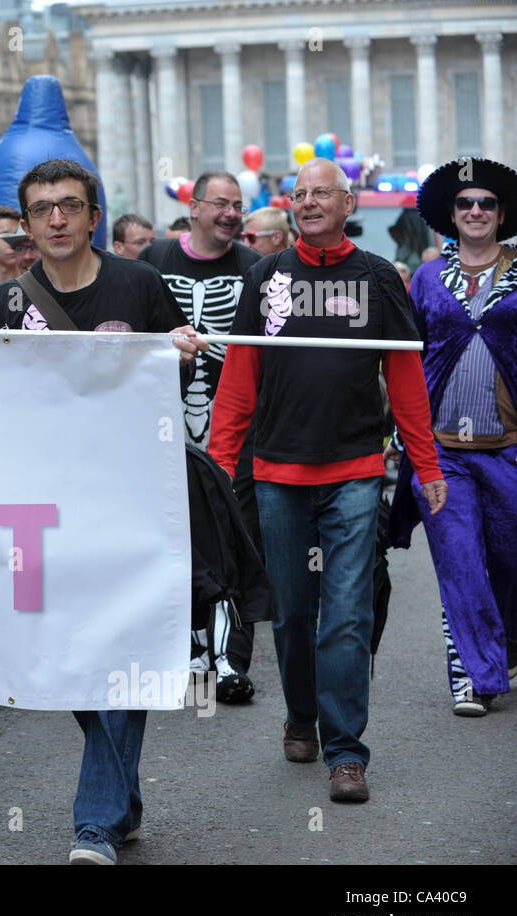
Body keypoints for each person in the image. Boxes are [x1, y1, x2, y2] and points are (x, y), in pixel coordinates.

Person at [0, 159, 204, 864]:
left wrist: (181, 354)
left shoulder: (140, 285)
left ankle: (94, 822)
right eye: (42, 209)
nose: (57, 220)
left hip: (133, 500)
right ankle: (122, 796)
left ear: (94, 215)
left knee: (120, 649)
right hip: (42, 508)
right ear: (26, 223)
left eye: (70, 206)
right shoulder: (0, 307)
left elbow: (180, 373)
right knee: (75, 656)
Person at [208, 157, 446, 803]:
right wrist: (217, 464)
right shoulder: (264, 277)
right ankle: (301, 715)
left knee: (345, 612)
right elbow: (237, 382)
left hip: (357, 470)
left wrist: (426, 466)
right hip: (277, 472)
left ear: (348, 205)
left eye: (323, 194)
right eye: (300, 194)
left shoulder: (378, 278)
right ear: (291, 205)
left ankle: (346, 751)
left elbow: (405, 382)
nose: (309, 202)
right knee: (290, 611)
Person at [389, 157, 517, 717]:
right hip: (441, 449)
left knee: (508, 560)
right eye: (466, 204)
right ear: (451, 215)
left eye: (486, 203)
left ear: (501, 214)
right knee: (460, 559)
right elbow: (406, 360)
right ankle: (471, 676)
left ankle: (503, 648)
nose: (475, 211)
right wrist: (401, 432)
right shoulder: (426, 278)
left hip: (510, 447)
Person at [141, 171, 261, 703]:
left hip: (237, 425)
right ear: (193, 208)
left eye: (239, 205)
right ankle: (187, 653)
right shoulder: (154, 263)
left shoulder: (255, 268)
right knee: (178, 538)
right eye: (221, 203)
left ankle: (230, 662)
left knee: (236, 536)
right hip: (165, 426)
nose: (232, 213)